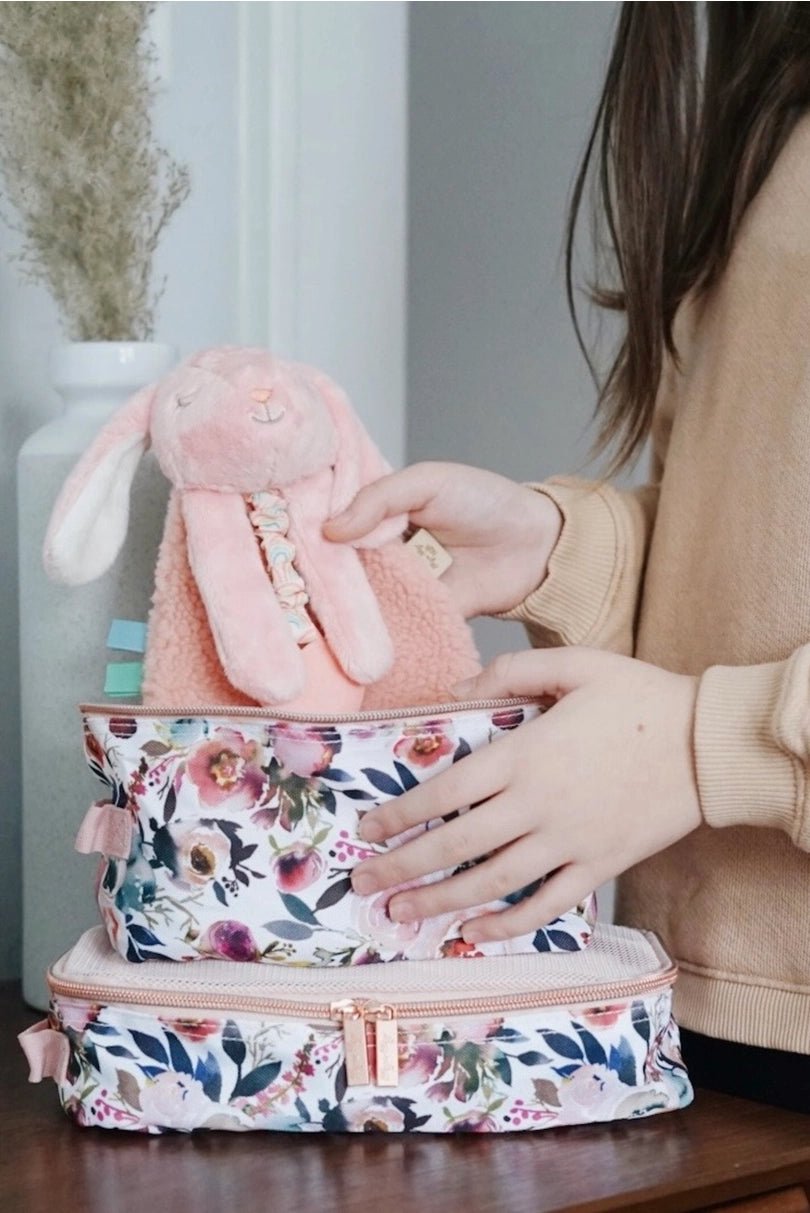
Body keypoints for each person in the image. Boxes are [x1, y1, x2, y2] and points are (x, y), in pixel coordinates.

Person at [324, 2, 810, 1114]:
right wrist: (567, 549)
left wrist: (703, 743)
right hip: (687, 1005)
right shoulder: (775, 96)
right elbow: (758, 511)